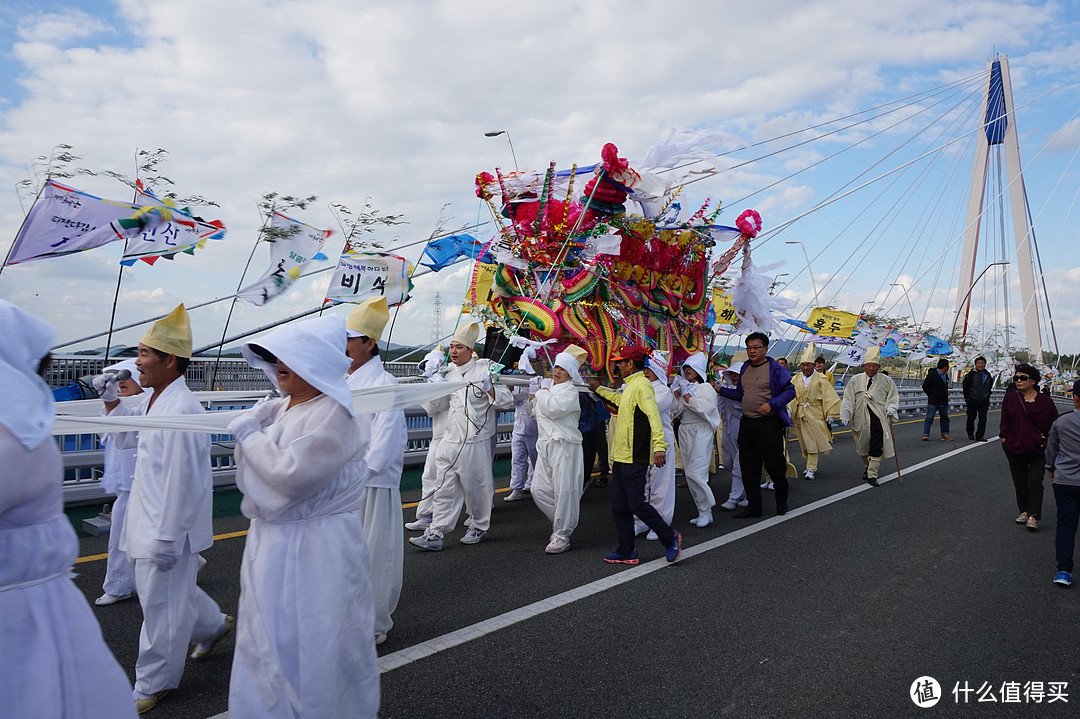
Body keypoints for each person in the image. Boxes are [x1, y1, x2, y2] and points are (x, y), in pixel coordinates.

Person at [227, 315, 379, 718]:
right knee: (265, 639)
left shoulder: (336, 414)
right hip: (272, 541)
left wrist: (250, 436)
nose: (279, 365)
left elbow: (289, 477)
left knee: (320, 639)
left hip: (317, 546)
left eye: (291, 358)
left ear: (317, 363)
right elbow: (254, 475)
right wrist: (259, 433)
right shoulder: (280, 409)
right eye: (275, 358)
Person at [0, 300, 138, 719]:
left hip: (21, 615)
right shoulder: (22, 420)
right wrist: (112, 402)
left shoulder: (14, 433)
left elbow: (129, 440)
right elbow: (111, 438)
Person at [103, 304, 231, 714]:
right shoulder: (155, 401)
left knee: (160, 608)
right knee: (167, 600)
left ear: (169, 359)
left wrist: (167, 535)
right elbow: (124, 439)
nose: (136, 363)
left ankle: (152, 682)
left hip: (167, 525)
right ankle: (213, 624)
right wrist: (110, 401)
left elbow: (185, 482)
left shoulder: (181, 409)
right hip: (148, 519)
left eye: (143, 354)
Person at [410, 321, 512, 550]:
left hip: (475, 441)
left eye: (459, 347)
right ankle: (435, 533)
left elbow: (506, 401)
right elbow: (437, 407)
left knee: (476, 487)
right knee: (443, 487)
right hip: (450, 439)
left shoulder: (485, 370)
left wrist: (490, 389)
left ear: (470, 350)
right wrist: (431, 385)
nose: (454, 351)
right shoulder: (449, 375)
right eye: (452, 347)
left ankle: (478, 525)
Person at [345, 296, 408, 646]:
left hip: (370, 482)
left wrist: (361, 473)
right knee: (343, 555)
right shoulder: (340, 378)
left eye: (349, 339)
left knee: (373, 553)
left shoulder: (384, 383)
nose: (343, 345)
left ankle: (373, 622)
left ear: (369, 343)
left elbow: (385, 441)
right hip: (341, 482)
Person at [588, 346, 682, 565]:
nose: (618, 366)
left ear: (631, 364)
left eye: (621, 362)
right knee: (619, 506)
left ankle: (670, 538)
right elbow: (620, 402)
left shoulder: (641, 386)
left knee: (636, 503)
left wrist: (659, 446)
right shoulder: (631, 386)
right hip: (622, 455)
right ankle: (627, 550)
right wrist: (600, 390)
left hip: (635, 455)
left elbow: (653, 416)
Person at [717, 332, 796, 518]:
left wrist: (771, 404)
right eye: (749, 348)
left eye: (756, 347)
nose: (752, 351)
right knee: (748, 467)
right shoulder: (745, 368)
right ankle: (754, 507)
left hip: (768, 424)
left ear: (765, 349)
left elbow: (790, 391)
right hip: (747, 423)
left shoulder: (776, 369)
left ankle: (781, 502)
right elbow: (740, 394)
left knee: (774, 465)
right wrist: (721, 390)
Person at [95, 359, 146, 606]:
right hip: (126, 485)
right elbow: (105, 434)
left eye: (125, 378)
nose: (121, 384)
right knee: (120, 535)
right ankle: (118, 585)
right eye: (116, 381)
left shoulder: (151, 404)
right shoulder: (115, 407)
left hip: (148, 483)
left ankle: (121, 585)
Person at [528, 345, 586, 553]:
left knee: (565, 490)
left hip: (564, 446)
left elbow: (552, 409)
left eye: (562, 368)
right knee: (539, 489)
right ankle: (565, 523)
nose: (557, 371)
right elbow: (535, 412)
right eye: (557, 367)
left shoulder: (570, 391)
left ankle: (562, 533)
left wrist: (541, 394)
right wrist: (532, 395)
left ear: (570, 372)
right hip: (545, 445)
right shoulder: (550, 390)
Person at [999, 363, 1058, 531]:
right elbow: (1005, 421)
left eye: (1023, 378)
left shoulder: (1045, 401)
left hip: (1038, 449)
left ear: (1033, 381)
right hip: (1014, 447)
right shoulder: (1011, 398)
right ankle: (1023, 511)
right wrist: (1004, 438)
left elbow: (1055, 424)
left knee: (1035, 481)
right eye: (1016, 378)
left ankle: (1034, 515)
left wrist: (1053, 444)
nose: (1018, 381)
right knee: (1020, 481)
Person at [839, 346, 900, 487]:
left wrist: (891, 408)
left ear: (878, 367)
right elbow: (848, 399)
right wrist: (845, 414)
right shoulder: (855, 380)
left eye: (874, 366)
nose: (871, 368)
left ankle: (872, 475)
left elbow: (893, 396)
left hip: (878, 418)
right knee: (862, 446)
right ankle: (868, 466)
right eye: (868, 365)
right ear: (864, 366)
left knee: (876, 447)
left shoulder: (886, 381)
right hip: (860, 418)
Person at [672, 351, 720, 527]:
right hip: (685, 430)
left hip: (701, 430)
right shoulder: (684, 387)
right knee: (689, 472)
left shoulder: (705, 388)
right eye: (685, 368)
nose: (687, 370)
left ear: (699, 369)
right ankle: (702, 509)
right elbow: (675, 411)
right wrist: (676, 394)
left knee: (696, 472)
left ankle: (707, 510)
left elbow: (704, 409)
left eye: (690, 367)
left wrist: (687, 396)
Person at [405, 347, 448, 531]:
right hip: (439, 435)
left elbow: (443, 403)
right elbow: (431, 409)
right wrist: (430, 385)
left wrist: (437, 384)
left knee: (462, 482)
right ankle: (426, 517)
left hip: (458, 436)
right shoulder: (432, 381)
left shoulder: (451, 379)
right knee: (429, 476)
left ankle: (477, 520)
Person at [635, 350, 676, 538]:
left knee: (660, 484)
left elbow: (647, 407)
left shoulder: (664, 391)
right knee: (641, 483)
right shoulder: (639, 387)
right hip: (643, 442)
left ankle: (660, 523)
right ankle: (641, 521)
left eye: (650, 368)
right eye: (644, 368)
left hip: (661, 443)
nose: (646, 371)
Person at [789, 343, 841, 480]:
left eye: (808, 364)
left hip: (815, 414)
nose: (805, 367)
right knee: (803, 443)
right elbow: (791, 396)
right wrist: (789, 410)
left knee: (812, 442)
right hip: (800, 414)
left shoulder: (821, 379)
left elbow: (829, 396)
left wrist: (830, 413)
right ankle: (810, 465)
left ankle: (811, 468)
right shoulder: (795, 379)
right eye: (803, 365)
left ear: (813, 365)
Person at [1048, 379, 1080, 586]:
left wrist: (1050, 468)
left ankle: (1064, 571)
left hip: (1065, 481)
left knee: (1066, 526)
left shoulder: (1062, 422)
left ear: (1075, 397)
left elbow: (1051, 449)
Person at [713, 363, 748, 510]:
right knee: (728, 461)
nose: (734, 377)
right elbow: (719, 408)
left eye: (737, 374)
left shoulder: (745, 391)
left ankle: (734, 497)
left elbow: (739, 404)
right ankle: (745, 492)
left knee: (739, 465)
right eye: (731, 374)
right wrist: (719, 394)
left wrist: (723, 391)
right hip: (728, 428)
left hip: (743, 428)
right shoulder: (726, 389)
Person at [506, 362, 541, 502]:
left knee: (536, 460)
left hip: (534, 428)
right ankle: (516, 489)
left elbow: (528, 400)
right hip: (519, 427)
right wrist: (508, 385)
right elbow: (513, 399)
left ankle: (536, 486)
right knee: (517, 459)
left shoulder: (537, 381)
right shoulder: (518, 381)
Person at [579, 391, 611, 492]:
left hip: (595, 417)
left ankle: (602, 474)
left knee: (597, 446)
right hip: (580, 419)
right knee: (585, 450)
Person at [921, 358, 954, 441]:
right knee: (929, 417)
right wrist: (931, 395)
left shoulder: (945, 376)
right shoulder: (932, 375)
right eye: (947, 366)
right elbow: (925, 386)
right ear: (945, 367)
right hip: (934, 400)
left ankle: (945, 434)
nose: (948, 368)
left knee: (945, 418)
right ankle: (925, 434)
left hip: (943, 400)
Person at [962, 356, 994, 441]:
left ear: (985, 364)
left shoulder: (987, 375)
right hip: (972, 399)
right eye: (978, 363)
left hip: (984, 400)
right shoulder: (971, 375)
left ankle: (980, 435)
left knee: (983, 418)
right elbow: (966, 387)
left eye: (982, 363)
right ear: (975, 364)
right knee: (971, 417)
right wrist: (967, 398)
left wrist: (987, 396)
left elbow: (989, 387)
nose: (980, 365)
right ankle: (970, 432)